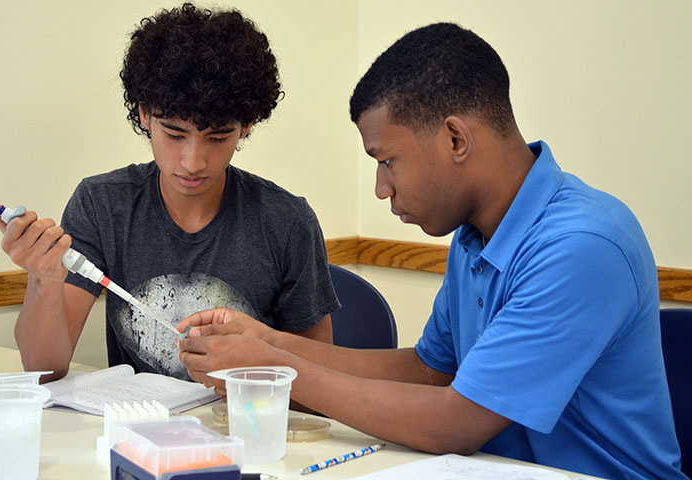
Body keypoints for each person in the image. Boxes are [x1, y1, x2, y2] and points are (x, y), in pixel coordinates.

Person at [177, 22, 686, 480]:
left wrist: (271, 367)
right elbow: (430, 369)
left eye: (388, 160)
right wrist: (273, 343)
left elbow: (456, 422)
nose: (381, 187)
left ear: (455, 139)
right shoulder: (474, 235)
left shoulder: (581, 247)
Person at [0, 3, 339, 382]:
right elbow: (44, 371)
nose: (192, 162)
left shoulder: (286, 222)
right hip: (138, 431)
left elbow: (321, 372)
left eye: (218, 138)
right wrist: (43, 278)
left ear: (247, 126)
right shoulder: (104, 205)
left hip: (244, 427)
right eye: (174, 134)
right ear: (143, 114)